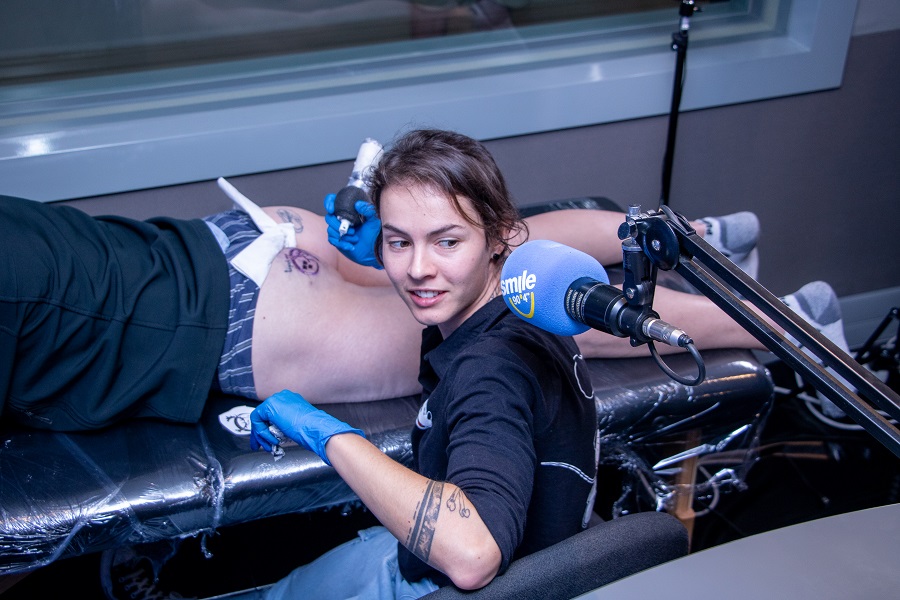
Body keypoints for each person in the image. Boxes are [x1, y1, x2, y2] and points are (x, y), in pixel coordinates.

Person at [238, 127, 599, 598]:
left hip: (447, 584)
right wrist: (400, 248)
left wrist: (324, 433)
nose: (417, 269)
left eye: (447, 242)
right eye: (399, 243)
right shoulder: (527, 306)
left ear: (498, 238)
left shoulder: (490, 369)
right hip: (434, 555)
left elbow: (472, 556)